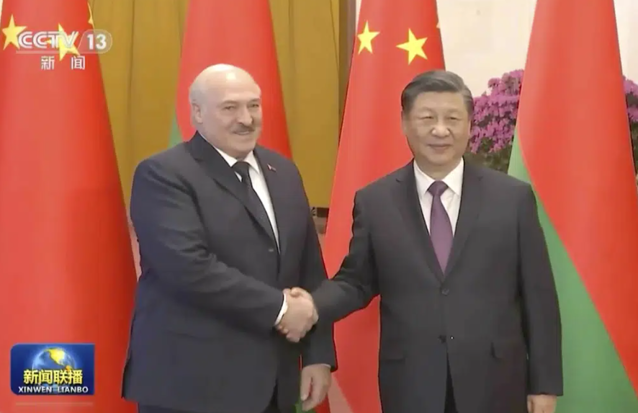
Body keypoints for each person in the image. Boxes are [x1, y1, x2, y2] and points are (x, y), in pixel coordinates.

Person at [287, 70, 563, 413]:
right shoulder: (375, 201)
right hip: (412, 382)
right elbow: (356, 282)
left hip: (496, 381)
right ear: (405, 123)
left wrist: (544, 384)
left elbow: (539, 295)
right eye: (427, 118)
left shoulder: (512, 198)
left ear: (470, 125)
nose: (440, 130)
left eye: (452, 119)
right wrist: (311, 305)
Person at [121, 64, 335, 413]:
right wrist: (282, 309)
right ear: (197, 113)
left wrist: (318, 355)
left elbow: (309, 267)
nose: (246, 119)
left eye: (253, 105)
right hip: (193, 386)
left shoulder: (283, 171)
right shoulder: (163, 174)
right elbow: (188, 268)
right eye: (230, 108)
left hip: (274, 385)